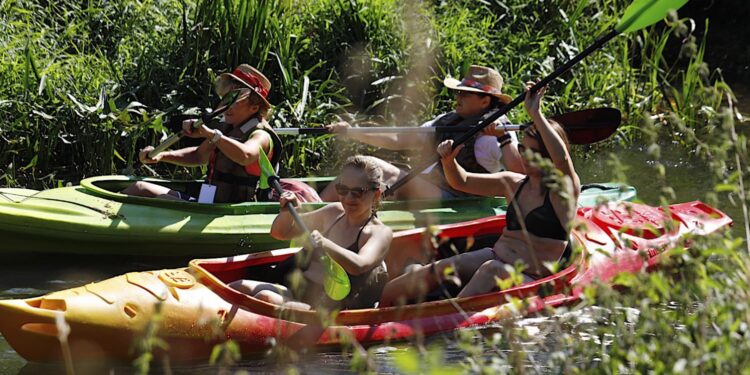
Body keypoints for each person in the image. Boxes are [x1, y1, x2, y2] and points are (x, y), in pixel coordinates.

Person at [379, 81, 580, 306]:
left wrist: (536, 114)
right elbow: (461, 181)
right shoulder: (513, 183)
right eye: (522, 149)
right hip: (495, 256)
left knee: (490, 270)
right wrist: (449, 161)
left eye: (533, 152)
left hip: (530, 278)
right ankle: (379, 306)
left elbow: (563, 160)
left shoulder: (563, 191)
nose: (524, 156)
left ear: (549, 155)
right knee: (441, 268)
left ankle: (445, 320)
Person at [320, 65, 525, 201]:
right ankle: (317, 207)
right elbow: (401, 138)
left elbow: (519, 176)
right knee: (359, 169)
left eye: (466, 93)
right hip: (429, 184)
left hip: (456, 198)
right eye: (459, 91)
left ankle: (316, 215)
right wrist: (351, 132)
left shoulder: (496, 131)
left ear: (485, 101)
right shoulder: (449, 119)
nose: (458, 96)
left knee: (367, 168)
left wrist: (504, 138)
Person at [229, 155, 393, 310]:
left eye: (357, 192)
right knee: (237, 286)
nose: (348, 198)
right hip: (297, 290)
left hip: (326, 308)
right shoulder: (333, 212)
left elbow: (359, 265)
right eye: (342, 190)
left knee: (265, 297)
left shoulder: (379, 232)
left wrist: (325, 243)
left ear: (376, 194)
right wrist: (287, 210)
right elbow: (280, 232)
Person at [122, 64, 283, 203]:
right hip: (210, 202)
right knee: (139, 189)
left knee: (140, 188)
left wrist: (210, 134)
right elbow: (199, 156)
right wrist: (162, 156)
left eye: (232, 102)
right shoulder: (228, 126)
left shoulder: (260, 135)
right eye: (224, 99)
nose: (225, 106)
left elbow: (246, 155)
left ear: (254, 107)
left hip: (234, 211)